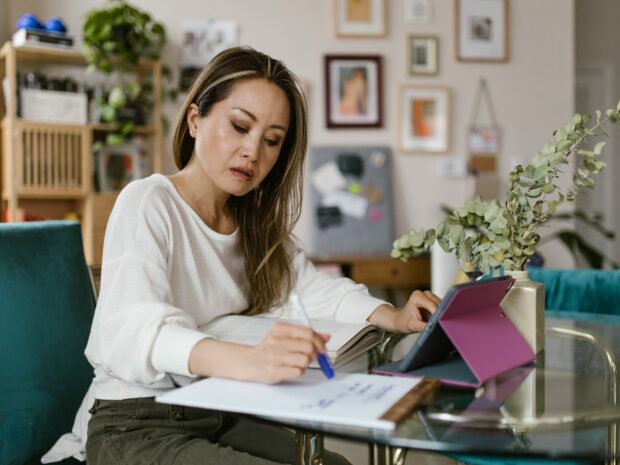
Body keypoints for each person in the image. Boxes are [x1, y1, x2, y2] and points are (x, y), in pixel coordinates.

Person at [84, 46, 440, 465]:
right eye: (239, 126)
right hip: (134, 420)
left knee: (339, 463)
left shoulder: (253, 226)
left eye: (272, 140)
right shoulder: (148, 201)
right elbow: (139, 329)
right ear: (195, 120)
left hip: (212, 408)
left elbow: (313, 290)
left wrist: (395, 316)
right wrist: (249, 362)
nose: (254, 152)